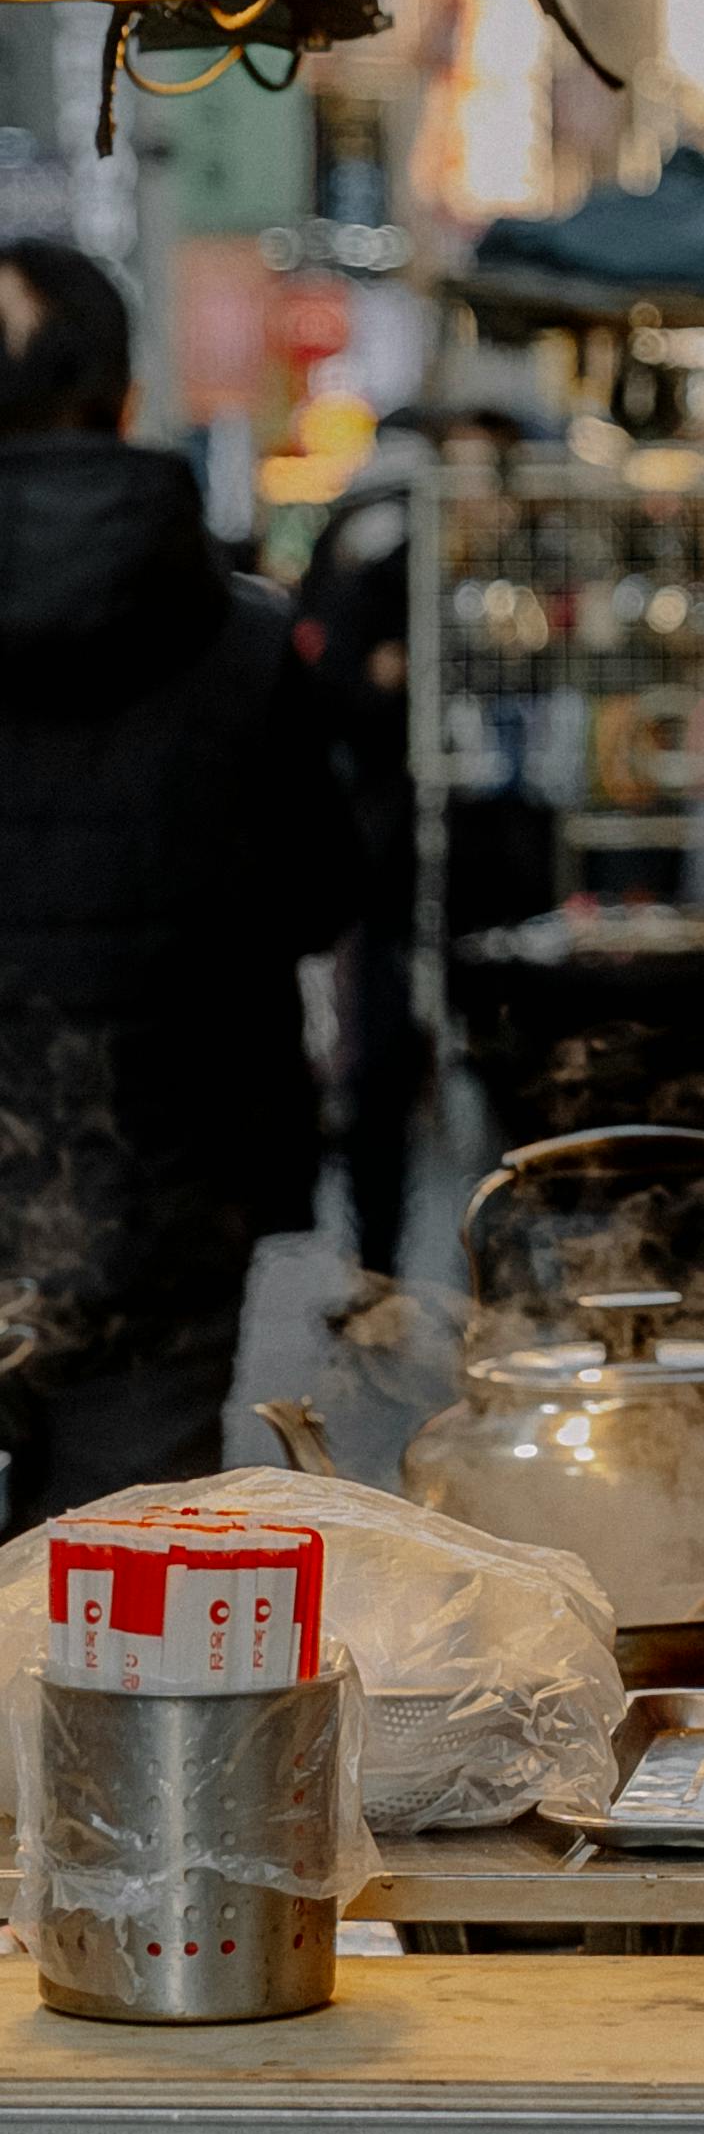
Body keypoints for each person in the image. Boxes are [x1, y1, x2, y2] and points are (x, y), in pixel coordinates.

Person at [0, 240, 364, 1517]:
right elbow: (320, 892)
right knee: (112, 1605)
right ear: (120, 394)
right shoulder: (246, 639)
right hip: (168, 1197)